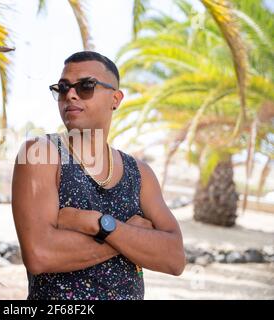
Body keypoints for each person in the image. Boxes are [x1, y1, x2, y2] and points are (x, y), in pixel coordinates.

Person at [11, 51, 185, 300]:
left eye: (86, 86)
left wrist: (96, 223)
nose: (70, 94)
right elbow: (40, 255)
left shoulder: (140, 173)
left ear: (115, 98)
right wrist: (131, 235)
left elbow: (174, 258)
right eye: (62, 88)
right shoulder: (41, 154)